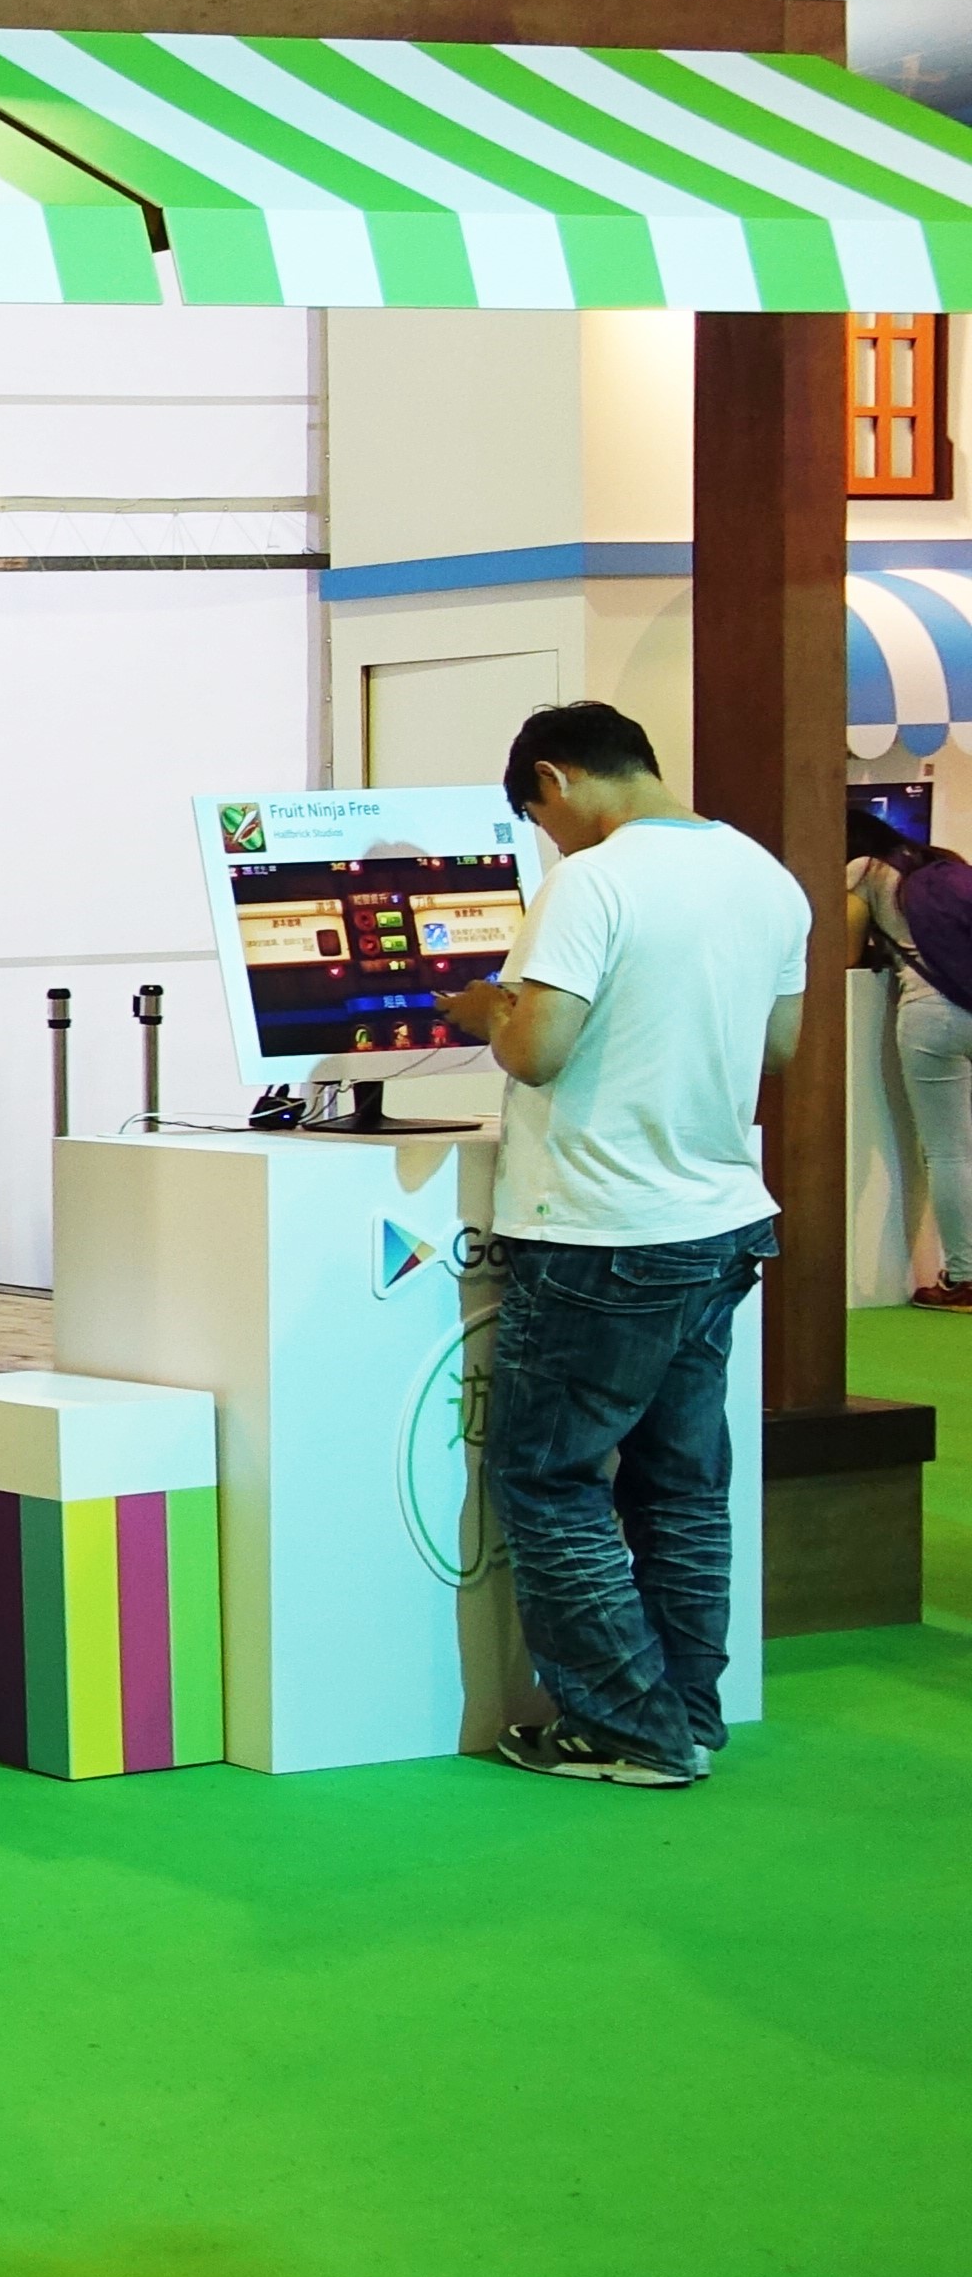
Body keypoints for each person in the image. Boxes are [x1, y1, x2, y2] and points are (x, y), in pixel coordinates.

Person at [439, 702, 810, 1787]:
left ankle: (627, 1729)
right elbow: (780, 1045)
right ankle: (684, 1714)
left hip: (601, 1227)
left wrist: (486, 1010)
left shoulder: (590, 883)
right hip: (719, 1220)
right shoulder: (765, 877)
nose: (545, 836)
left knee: (547, 1480)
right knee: (681, 1489)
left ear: (555, 781)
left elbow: (539, 1052)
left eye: (536, 815)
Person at [847, 808, 972, 1307]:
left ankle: (965, 1276)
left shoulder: (864, 871)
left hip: (932, 1016)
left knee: (950, 1152)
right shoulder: (942, 863)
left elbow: (844, 953)